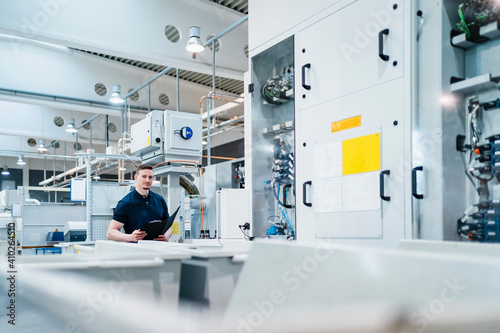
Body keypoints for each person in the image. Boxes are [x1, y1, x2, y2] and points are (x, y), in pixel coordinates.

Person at [107, 164, 172, 242]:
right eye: (144, 176)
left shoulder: (160, 200)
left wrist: (166, 236)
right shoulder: (125, 203)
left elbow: (169, 226)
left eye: (150, 177)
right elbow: (110, 233)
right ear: (136, 177)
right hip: (136, 251)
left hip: (157, 249)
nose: (147, 180)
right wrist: (130, 237)